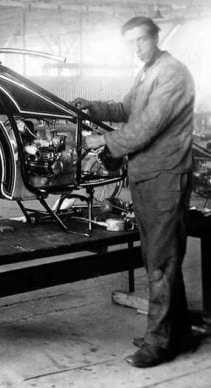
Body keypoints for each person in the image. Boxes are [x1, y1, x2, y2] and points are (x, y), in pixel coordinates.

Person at [73, 16, 196, 368]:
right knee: (159, 259)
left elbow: (146, 127)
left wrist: (105, 140)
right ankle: (179, 333)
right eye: (130, 43)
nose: (136, 48)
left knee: (161, 263)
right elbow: (128, 109)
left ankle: (160, 343)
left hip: (165, 177)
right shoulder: (147, 71)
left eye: (141, 40)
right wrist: (93, 107)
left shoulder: (171, 73)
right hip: (146, 176)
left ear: (155, 37)